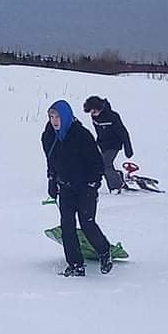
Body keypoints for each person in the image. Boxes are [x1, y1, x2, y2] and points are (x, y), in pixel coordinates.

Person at [42, 100, 113, 277]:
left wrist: (93, 183)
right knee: (67, 224)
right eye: (51, 117)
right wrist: (52, 180)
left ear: (66, 116)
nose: (54, 121)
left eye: (57, 116)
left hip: (85, 187)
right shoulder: (49, 136)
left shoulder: (81, 135)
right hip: (65, 186)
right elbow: (51, 161)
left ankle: (104, 252)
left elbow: (97, 162)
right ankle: (75, 264)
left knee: (87, 222)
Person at [82, 96, 134, 193]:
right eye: (91, 112)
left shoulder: (113, 116)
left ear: (99, 108)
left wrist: (128, 148)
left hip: (115, 144)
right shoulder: (94, 117)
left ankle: (116, 186)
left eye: (93, 112)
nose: (92, 114)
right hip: (103, 144)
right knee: (100, 163)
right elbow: (99, 132)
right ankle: (117, 176)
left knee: (105, 164)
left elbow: (123, 132)